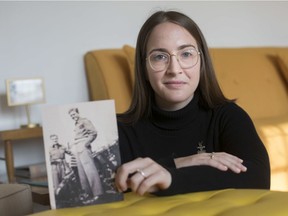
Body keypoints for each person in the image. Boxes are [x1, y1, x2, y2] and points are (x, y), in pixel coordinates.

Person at [115, 10, 270, 196]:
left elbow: (258, 177)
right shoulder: (119, 129)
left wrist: (171, 178)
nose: (174, 69)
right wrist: (183, 162)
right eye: (159, 56)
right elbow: (101, 185)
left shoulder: (227, 115)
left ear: (201, 63)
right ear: (144, 68)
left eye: (186, 54)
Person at [68, 108, 103, 202]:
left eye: (74, 114)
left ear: (78, 113)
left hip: (83, 146)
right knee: (82, 173)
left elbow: (93, 133)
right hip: (77, 148)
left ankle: (98, 193)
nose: (73, 116)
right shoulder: (76, 124)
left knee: (90, 170)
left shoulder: (84, 121)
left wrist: (85, 144)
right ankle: (89, 194)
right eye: (71, 116)